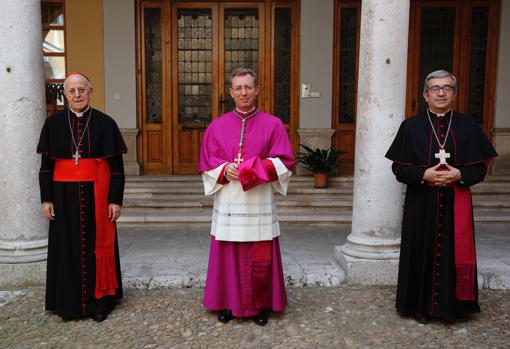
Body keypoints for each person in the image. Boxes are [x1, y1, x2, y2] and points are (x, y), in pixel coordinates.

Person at [386, 70, 497, 324]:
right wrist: (424, 174)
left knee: (452, 253)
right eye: (435, 88)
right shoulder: (411, 127)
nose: (440, 93)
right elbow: (398, 169)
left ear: (454, 94)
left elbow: (480, 169)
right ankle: (419, 307)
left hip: (455, 203)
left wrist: (459, 173)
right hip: (421, 204)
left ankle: (453, 307)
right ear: (425, 95)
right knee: (420, 251)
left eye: (447, 88)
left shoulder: (468, 126)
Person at [198, 68, 295, 326]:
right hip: (230, 200)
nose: (243, 92)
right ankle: (229, 303)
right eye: (238, 88)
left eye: (248, 87)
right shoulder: (217, 126)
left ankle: (260, 305)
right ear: (230, 92)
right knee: (229, 254)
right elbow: (207, 164)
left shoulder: (273, 124)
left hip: (258, 200)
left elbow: (285, 162)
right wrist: (224, 169)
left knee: (258, 253)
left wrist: (254, 170)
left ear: (257, 90)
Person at [37, 72, 127, 322]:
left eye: (82, 90)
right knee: (65, 249)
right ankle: (67, 304)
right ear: (65, 94)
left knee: (95, 246)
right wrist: (46, 199)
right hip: (63, 199)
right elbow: (46, 167)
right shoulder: (53, 124)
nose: (77, 95)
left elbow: (117, 168)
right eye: (72, 91)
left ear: (90, 91)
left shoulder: (105, 123)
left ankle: (100, 303)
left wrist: (115, 200)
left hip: (96, 196)